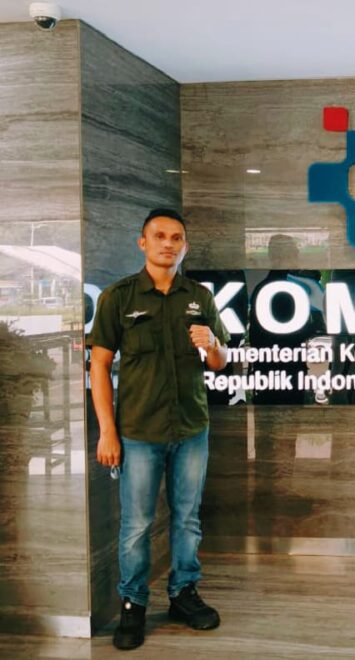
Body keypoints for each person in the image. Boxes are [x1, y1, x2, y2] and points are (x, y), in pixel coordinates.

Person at [89, 208, 230, 651]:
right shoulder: (119, 297)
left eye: (176, 237)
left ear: (184, 246)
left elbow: (220, 362)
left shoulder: (199, 296)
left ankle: (183, 594)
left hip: (191, 428)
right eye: (160, 236)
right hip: (138, 432)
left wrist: (212, 344)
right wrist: (107, 431)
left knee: (187, 518)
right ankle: (133, 604)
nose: (169, 243)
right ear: (143, 243)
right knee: (136, 525)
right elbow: (99, 365)